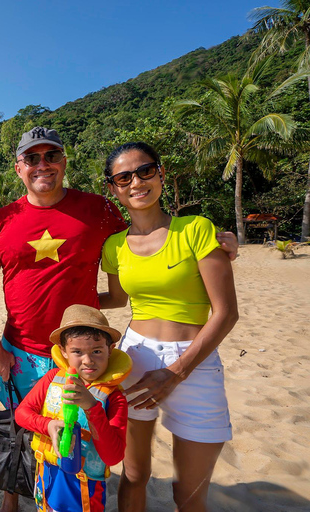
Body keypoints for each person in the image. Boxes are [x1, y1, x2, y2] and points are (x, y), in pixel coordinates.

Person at [0, 127, 239, 512]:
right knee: (24, 433)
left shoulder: (100, 210)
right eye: (32, 158)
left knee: (92, 446)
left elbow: (148, 234)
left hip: (86, 353)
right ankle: (11, 503)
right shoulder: (1, 218)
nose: (42, 165)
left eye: (51, 156)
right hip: (21, 350)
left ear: (64, 162)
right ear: (18, 168)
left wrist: (222, 244)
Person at [99, 142, 238, 512]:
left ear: (160, 173)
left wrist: (176, 372)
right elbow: (116, 300)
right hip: (134, 358)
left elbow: (225, 313)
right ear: (113, 189)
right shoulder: (114, 246)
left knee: (188, 495)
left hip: (194, 361)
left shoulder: (196, 229)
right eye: (123, 177)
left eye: (145, 171)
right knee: (133, 476)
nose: (136, 183)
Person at [16, 305, 131, 512]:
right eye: (77, 352)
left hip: (85, 488)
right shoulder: (52, 379)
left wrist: (92, 407)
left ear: (110, 350)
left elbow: (113, 457)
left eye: (97, 351)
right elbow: (22, 414)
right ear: (64, 352)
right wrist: (49, 425)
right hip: (47, 476)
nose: (88, 361)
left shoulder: (115, 398)